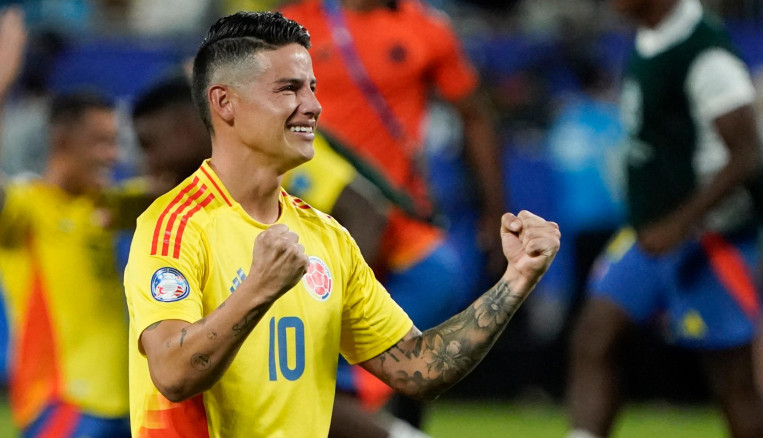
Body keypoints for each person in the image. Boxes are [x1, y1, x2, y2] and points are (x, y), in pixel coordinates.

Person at [123, 11, 560, 437]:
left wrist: (516, 279)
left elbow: (420, 367)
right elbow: (173, 374)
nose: (313, 106)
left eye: (312, 88)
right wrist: (259, 289)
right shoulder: (173, 227)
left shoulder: (327, 236)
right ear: (224, 102)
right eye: (289, 89)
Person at [279, 0, 506, 427]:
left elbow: (475, 116)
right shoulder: (295, 22)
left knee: (404, 351)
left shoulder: (427, 28)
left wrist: (493, 212)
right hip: (315, 220)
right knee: (365, 367)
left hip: (400, 224)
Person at [566, 0, 763, 437]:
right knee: (594, 335)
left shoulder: (706, 53)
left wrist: (680, 223)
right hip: (649, 232)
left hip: (712, 236)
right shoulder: (652, 37)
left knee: (733, 381)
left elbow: (748, 155)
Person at [0, 8, 132, 436]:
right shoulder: (25, 207)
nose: (113, 156)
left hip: (126, 405)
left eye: (115, 142)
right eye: (100, 142)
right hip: (62, 404)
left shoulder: (111, 203)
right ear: (61, 140)